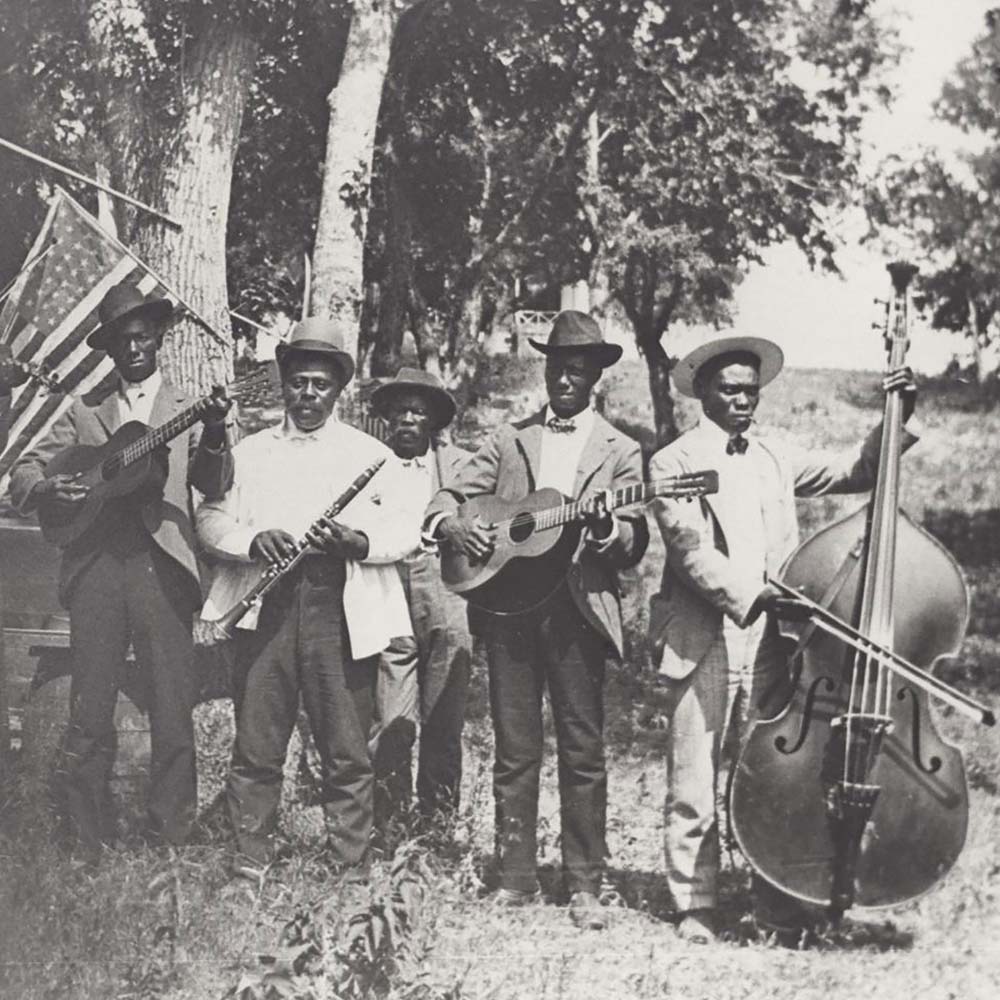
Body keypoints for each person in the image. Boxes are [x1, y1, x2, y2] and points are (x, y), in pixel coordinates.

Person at [647, 336, 918, 943]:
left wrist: (897, 414)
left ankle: (775, 896)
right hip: (704, 637)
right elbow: (691, 553)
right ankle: (696, 904)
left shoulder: (774, 454)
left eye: (751, 390)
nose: (743, 400)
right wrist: (759, 594)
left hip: (773, 643)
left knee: (768, 771)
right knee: (694, 777)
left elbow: (859, 469)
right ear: (704, 393)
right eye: (730, 390)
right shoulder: (671, 460)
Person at [425, 311, 649, 930]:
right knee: (514, 748)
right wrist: (453, 525)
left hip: (578, 611)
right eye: (556, 367)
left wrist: (605, 525)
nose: (565, 379)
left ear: (595, 377)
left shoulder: (620, 450)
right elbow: (449, 494)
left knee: (582, 750)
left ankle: (584, 886)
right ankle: (515, 878)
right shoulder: (509, 438)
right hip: (508, 611)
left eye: (577, 370)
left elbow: (633, 539)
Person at [8, 282, 233, 864]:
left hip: (162, 567)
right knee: (90, 705)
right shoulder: (86, 408)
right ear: (108, 348)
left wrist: (213, 430)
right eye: (121, 340)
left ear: (158, 338)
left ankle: (170, 842)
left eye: (142, 336)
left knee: (171, 704)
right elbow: (25, 470)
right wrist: (46, 487)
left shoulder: (187, 407)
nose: (133, 347)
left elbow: (214, 484)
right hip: (97, 568)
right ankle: (83, 841)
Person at [196, 319, 419, 877]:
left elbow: (406, 530)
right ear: (283, 384)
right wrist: (252, 540)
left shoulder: (373, 455)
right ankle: (250, 860)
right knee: (258, 738)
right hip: (268, 602)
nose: (308, 395)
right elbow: (210, 517)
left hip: (339, 603)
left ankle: (348, 862)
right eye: (298, 382)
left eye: (320, 384)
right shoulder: (250, 452)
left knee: (345, 743)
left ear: (339, 387)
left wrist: (358, 542)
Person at [367, 368, 473, 830]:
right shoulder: (370, 464)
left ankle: (438, 827)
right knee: (391, 718)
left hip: (446, 587)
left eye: (418, 411)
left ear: (433, 421)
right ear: (387, 418)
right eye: (400, 411)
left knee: (444, 717)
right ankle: (388, 825)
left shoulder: (463, 466)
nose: (408, 420)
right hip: (387, 585)